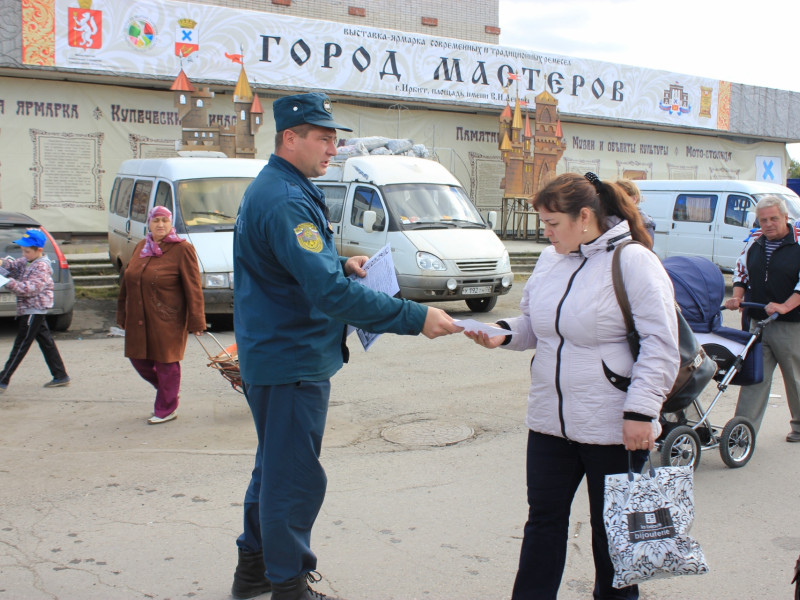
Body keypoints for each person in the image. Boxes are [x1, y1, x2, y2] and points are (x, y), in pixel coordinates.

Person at [231, 92, 461, 600]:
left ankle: (253, 571)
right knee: (292, 480)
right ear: (290, 138)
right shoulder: (287, 197)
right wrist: (416, 317)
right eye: (322, 137)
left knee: (273, 468)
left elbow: (297, 266)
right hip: (291, 360)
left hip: (277, 354)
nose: (332, 147)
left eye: (335, 137)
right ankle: (288, 586)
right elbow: (328, 295)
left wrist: (341, 262)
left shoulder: (279, 186)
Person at [466, 172, 679, 600]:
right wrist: (502, 333)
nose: (545, 233)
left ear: (584, 217)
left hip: (612, 425)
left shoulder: (633, 260)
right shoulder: (551, 259)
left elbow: (661, 343)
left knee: (613, 535)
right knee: (542, 522)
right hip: (549, 423)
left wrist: (641, 413)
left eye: (552, 223)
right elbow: (536, 327)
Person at [116, 206, 205, 424]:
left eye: (165, 220)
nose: (160, 225)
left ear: (171, 223)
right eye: (156, 220)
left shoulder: (183, 249)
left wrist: (197, 320)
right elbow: (127, 281)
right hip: (138, 315)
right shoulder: (140, 247)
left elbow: (193, 287)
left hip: (168, 318)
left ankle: (166, 408)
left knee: (166, 362)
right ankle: (169, 391)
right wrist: (122, 314)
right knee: (138, 359)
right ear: (149, 223)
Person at [724, 195, 800, 442]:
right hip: (759, 322)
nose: (768, 224)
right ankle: (742, 432)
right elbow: (741, 270)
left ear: (786, 218)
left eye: (773, 219)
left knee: (795, 378)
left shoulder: (798, 241)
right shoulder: (755, 241)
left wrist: (785, 306)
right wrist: (737, 296)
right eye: (763, 220)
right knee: (754, 378)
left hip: (791, 325)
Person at [0, 229, 70, 391]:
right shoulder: (28, 261)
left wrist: (6, 282)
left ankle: (3, 379)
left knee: (21, 345)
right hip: (32, 309)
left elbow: (29, 289)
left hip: (33, 309)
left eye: (27, 251)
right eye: (22, 251)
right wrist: (2, 263)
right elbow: (14, 265)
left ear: (39, 250)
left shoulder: (42, 267)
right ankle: (60, 375)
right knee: (46, 342)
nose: (23, 254)